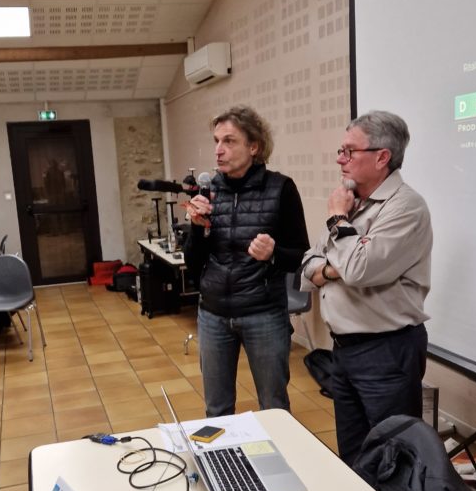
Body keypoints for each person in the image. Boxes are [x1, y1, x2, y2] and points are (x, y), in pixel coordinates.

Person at [301, 111, 432, 466]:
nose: (340, 160)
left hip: (387, 351)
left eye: (349, 151)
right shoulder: (352, 200)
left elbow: (358, 269)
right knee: (355, 455)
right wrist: (335, 266)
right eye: (340, 151)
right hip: (344, 350)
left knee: (395, 461)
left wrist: (338, 222)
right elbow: (310, 263)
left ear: (382, 157)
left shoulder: (405, 207)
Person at [184, 106, 309, 417]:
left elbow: (300, 257)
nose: (219, 150)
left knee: (274, 409)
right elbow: (192, 261)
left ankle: (277, 465)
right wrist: (196, 230)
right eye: (216, 141)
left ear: (254, 146)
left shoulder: (281, 188)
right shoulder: (208, 191)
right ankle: (225, 466)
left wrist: (273, 254)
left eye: (229, 141)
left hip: (263, 314)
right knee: (217, 409)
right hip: (213, 315)